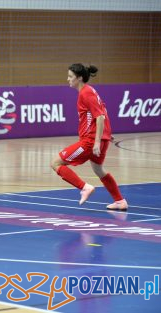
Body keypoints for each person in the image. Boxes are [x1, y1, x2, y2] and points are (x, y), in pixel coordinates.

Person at [50, 63, 128, 210]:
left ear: (79, 78)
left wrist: (97, 141)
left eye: (70, 77)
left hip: (90, 141)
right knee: (98, 170)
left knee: (55, 163)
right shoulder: (89, 91)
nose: (68, 79)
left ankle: (84, 187)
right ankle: (120, 201)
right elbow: (102, 113)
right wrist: (106, 135)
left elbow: (100, 117)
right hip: (98, 139)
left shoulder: (86, 93)